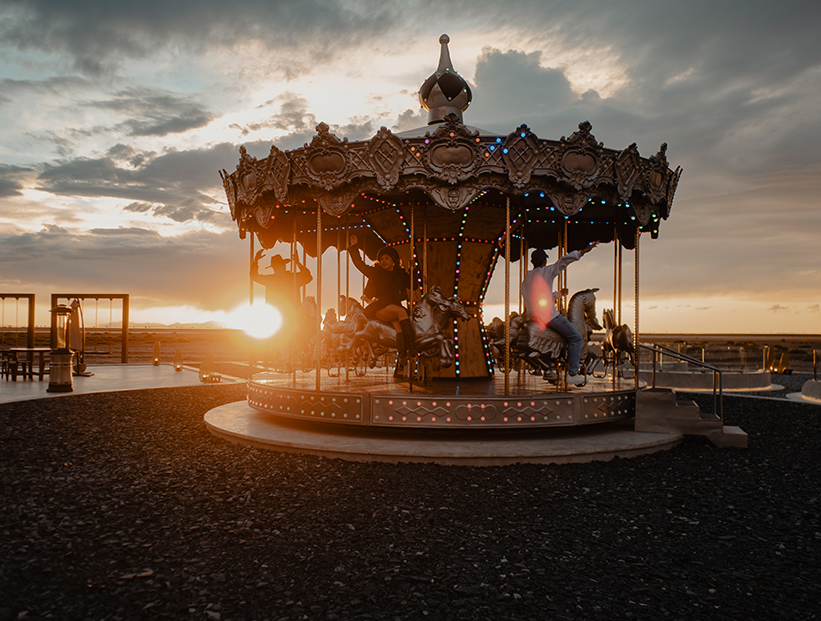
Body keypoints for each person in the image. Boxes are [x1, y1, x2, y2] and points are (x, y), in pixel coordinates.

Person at [521, 242, 599, 384]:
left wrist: (558, 294)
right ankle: (572, 373)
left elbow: (537, 298)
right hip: (550, 317)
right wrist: (582, 252)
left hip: (534, 317)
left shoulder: (526, 279)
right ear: (544, 261)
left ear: (532, 262)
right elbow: (563, 262)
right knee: (576, 337)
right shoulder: (545, 271)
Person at [347, 234, 415, 358]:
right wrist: (354, 247)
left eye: (386, 258)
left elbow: (414, 285)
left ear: (393, 260)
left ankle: (403, 356)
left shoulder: (400, 274)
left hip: (394, 305)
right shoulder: (376, 273)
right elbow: (360, 265)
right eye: (381, 259)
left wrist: (412, 270)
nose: (383, 261)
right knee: (401, 312)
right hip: (381, 307)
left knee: (399, 329)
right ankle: (413, 347)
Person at [251, 250, 312, 324]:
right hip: (276, 317)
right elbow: (254, 276)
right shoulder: (271, 279)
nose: (275, 269)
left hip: (293, 316)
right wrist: (255, 261)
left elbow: (308, 277)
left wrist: (298, 263)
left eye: (277, 267)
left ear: (283, 266)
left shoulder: (293, 278)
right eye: (274, 268)